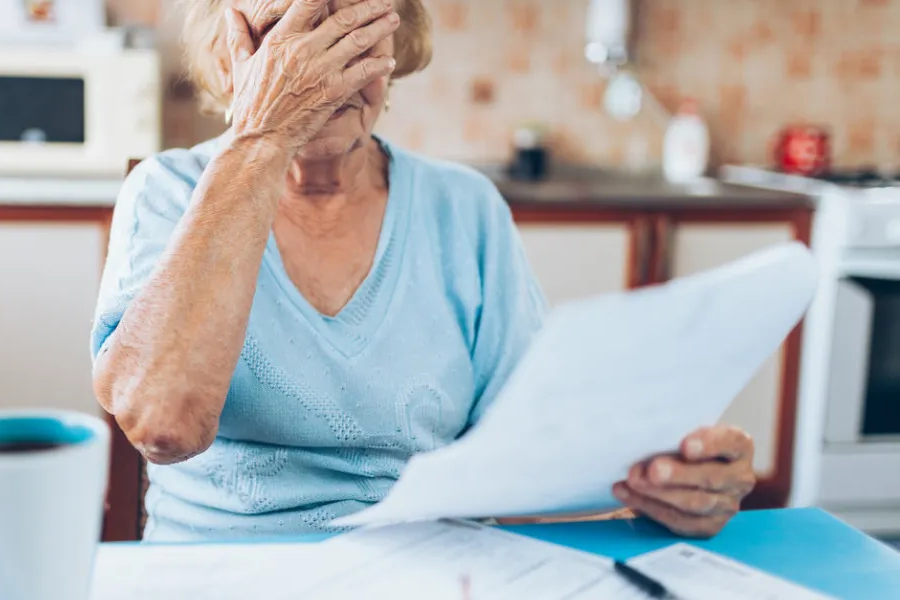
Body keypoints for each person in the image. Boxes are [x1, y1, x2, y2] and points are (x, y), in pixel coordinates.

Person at [91, 0, 756, 542]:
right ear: (230, 54)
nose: (323, 72)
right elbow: (162, 423)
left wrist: (656, 483)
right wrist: (263, 136)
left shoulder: (463, 208)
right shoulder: (168, 192)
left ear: (395, 49)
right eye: (288, 37)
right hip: (224, 575)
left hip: (431, 571)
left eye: (352, 31)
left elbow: (527, 453)